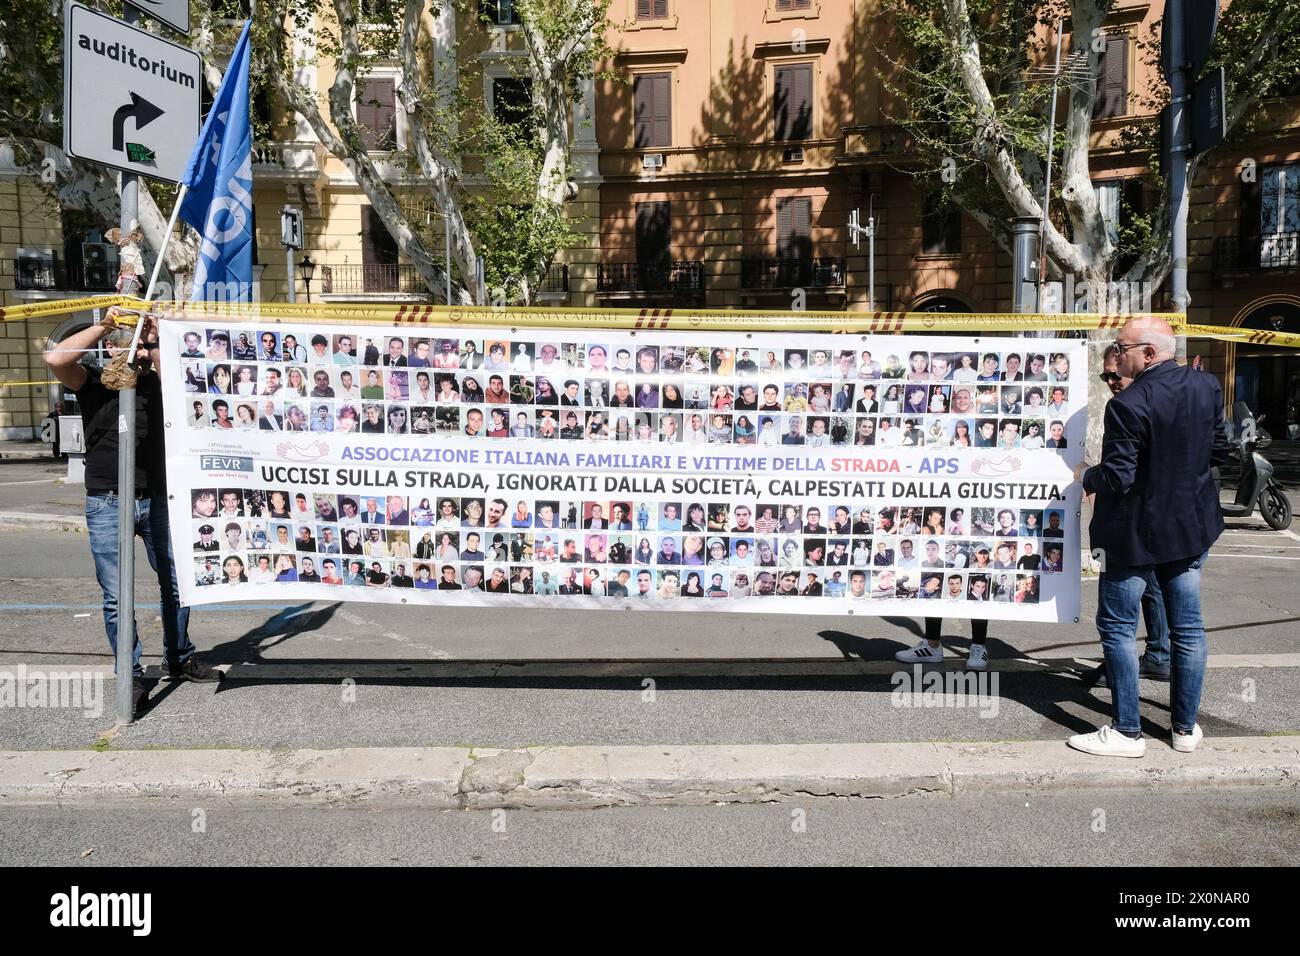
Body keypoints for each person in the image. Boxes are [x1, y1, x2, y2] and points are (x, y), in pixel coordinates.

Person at [45, 311, 220, 715]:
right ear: (112, 348)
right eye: (133, 345)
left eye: (142, 346)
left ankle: (179, 657)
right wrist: (107, 326)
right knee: (115, 596)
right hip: (107, 500)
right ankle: (131, 672)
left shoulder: (159, 384)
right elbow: (56, 360)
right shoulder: (93, 383)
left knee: (177, 583)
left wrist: (156, 339)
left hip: (158, 498)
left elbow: (182, 379)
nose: (139, 353)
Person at [1068, 317, 1228, 758]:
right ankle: (1184, 729)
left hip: (1135, 535)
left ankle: (1126, 731)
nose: (1117, 357)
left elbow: (1118, 477)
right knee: (1189, 630)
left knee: (1118, 628)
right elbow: (1220, 451)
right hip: (1191, 529)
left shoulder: (1129, 404)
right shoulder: (1207, 386)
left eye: (1123, 349)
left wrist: (1086, 475)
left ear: (1150, 353)